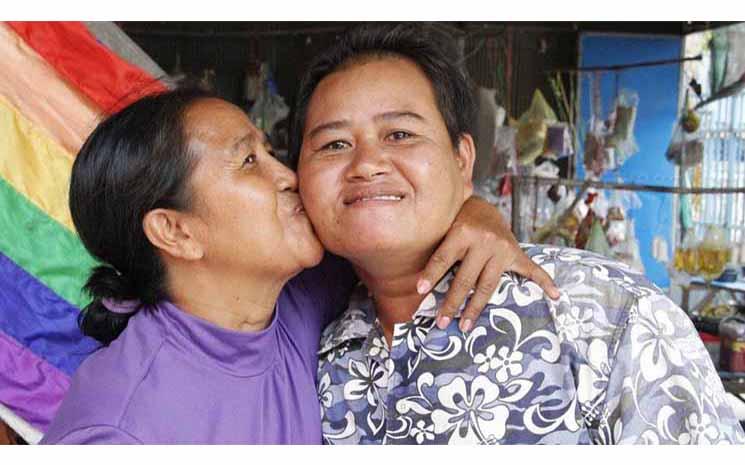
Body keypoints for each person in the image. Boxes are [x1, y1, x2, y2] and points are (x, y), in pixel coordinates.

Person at [293, 23, 745, 445]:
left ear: (463, 160)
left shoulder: (604, 314)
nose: (367, 164)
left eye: (400, 134)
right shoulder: (309, 347)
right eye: (334, 144)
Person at [41, 87, 555, 444]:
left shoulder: (299, 291)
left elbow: (400, 220)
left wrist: (478, 213)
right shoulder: (121, 431)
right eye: (248, 162)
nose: (288, 176)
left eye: (270, 152)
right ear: (176, 231)